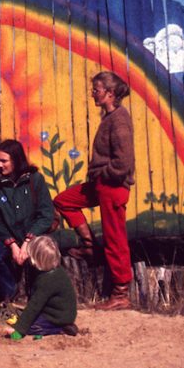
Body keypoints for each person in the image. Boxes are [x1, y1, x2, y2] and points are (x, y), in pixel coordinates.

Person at [53, 70, 136, 310]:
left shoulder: (119, 119)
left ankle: (120, 294)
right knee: (63, 200)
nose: (93, 94)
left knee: (115, 239)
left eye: (96, 90)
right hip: (102, 184)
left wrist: (105, 176)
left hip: (112, 186)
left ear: (110, 94)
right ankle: (89, 246)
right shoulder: (109, 117)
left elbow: (124, 161)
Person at [0, 139, 55, 301]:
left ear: (16, 160)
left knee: (44, 254)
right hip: (4, 234)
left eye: (4, 161)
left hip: (33, 232)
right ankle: (11, 293)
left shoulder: (35, 179)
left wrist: (28, 242)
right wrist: (13, 245)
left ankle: (43, 296)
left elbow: (46, 214)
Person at [4, 235, 78, 339]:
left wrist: (19, 330)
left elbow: (34, 306)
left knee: (32, 326)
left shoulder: (47, 280)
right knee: (24, 317)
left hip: (57, 317)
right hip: (59, 313)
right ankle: (60, 326)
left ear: (36, 259)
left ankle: (60, 329)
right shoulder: (53, 270)